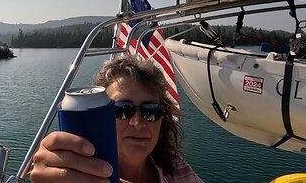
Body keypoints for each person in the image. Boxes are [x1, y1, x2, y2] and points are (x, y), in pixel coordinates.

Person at [30, 55, 203, 183]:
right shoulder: (78, 176)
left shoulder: (176, 169)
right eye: (122, 109)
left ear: (162, 118)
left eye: (151, 111)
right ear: (102, 115)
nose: (137, 122)